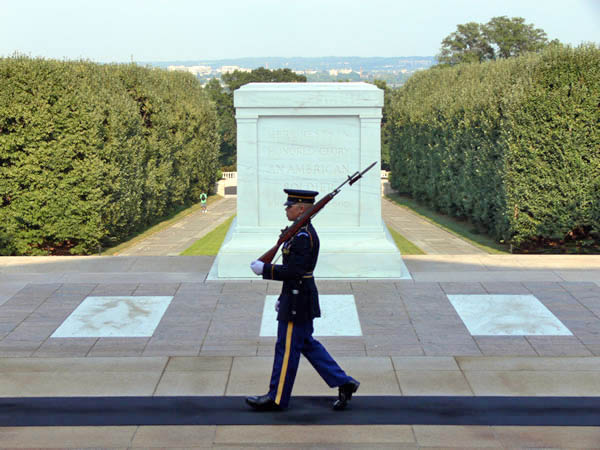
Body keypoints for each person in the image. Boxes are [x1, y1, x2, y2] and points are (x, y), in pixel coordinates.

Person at [247, 188, 359, 411]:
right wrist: (282, 296)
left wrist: (266, 269)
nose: (286, 209)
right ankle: (344, 382)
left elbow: (295, 271)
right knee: (306, 344)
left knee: (287, 350)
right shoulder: (299, 232)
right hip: (297, 296)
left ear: (301, 208)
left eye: (289, 206)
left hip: (298, 301)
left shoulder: (303, 236)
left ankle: (276, 397)